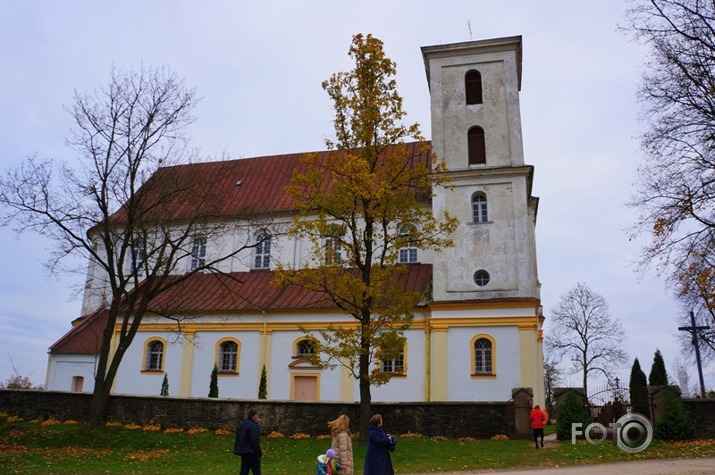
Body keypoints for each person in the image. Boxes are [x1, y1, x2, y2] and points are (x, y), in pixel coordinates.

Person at [233, 408, 262, 475]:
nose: (258, 417)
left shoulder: (243, 424)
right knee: (256, 471)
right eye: (257, 415)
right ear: (254, 415)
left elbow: (238, 436)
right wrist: (258, 453)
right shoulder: (253, 426)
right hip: (252, 453)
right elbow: (255, 440)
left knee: (244, 471)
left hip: (244, 452)